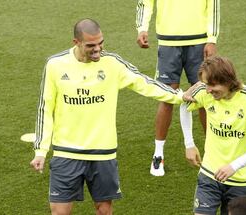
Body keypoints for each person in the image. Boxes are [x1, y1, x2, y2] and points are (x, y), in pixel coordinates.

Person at [30, 18, 194, 215]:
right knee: (59, 212)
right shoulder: (55, 65)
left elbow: (144, 83)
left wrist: (178, 96)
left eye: (101, 43)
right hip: (66, 152)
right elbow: (45, 108)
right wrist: (41, 150)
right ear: (76, 42)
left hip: (103, 152)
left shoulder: (112, 64)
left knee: (105, 211)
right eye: (91, 45)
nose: (98, 49)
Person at [179, 56, 246, 215]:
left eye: (212, 85)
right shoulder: (205, 91)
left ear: (228, 81)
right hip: (209, 173)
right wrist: (189, 144)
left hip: (241, 179)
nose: (208, 90)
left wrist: (234, 166)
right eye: (205, 84)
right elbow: (184, 105)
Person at [136, 0, 220, 176]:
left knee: (205, 96)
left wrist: (212, 39)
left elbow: (213, 5)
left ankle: (213, 153)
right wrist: (142, 28)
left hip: (200, 41)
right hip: (168, 43)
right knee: (166, 97)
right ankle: (158, 154)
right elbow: (145, 2)